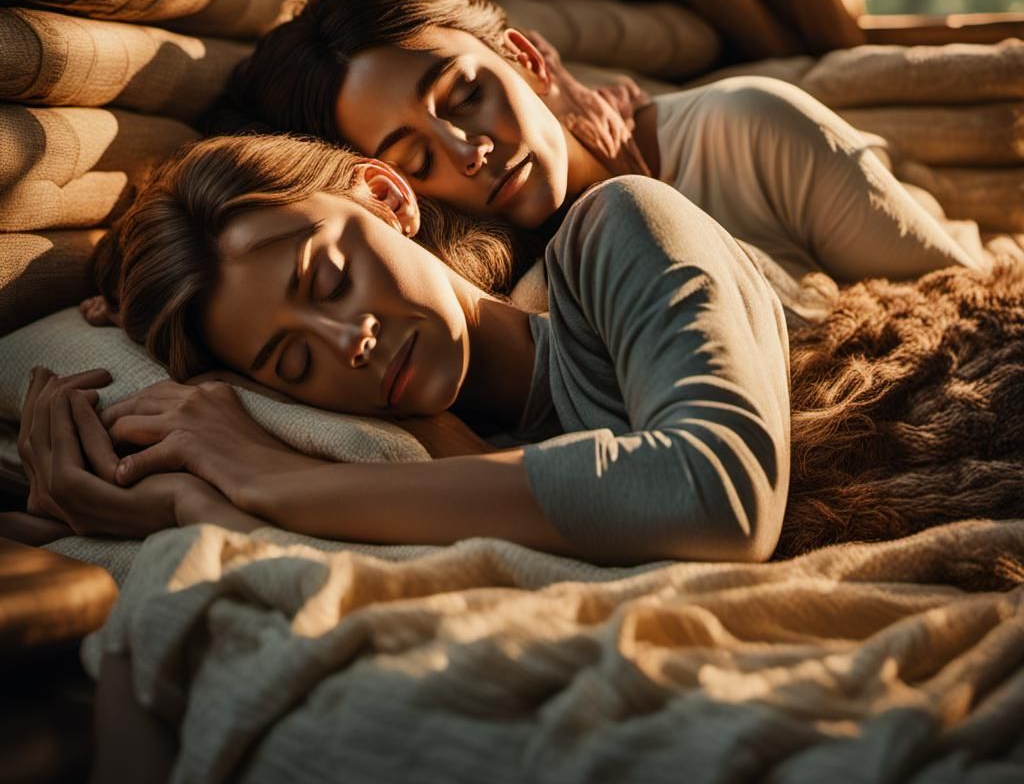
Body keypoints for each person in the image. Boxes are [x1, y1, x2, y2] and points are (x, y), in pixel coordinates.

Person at [19, 132, 792, 565]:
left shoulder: (620, 227)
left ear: (387, 197)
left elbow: (717, 492)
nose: (345, 343)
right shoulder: (419, 466)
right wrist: (186, 503)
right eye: (291, 363)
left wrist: (269, 479)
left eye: (328, 279)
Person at [226, 0, 978, 285]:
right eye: (414, 158)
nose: (467, 151)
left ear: (525, 58)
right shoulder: (484, 286)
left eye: (463, 96)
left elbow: (961, 311)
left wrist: (638, 192)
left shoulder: (749, 134)